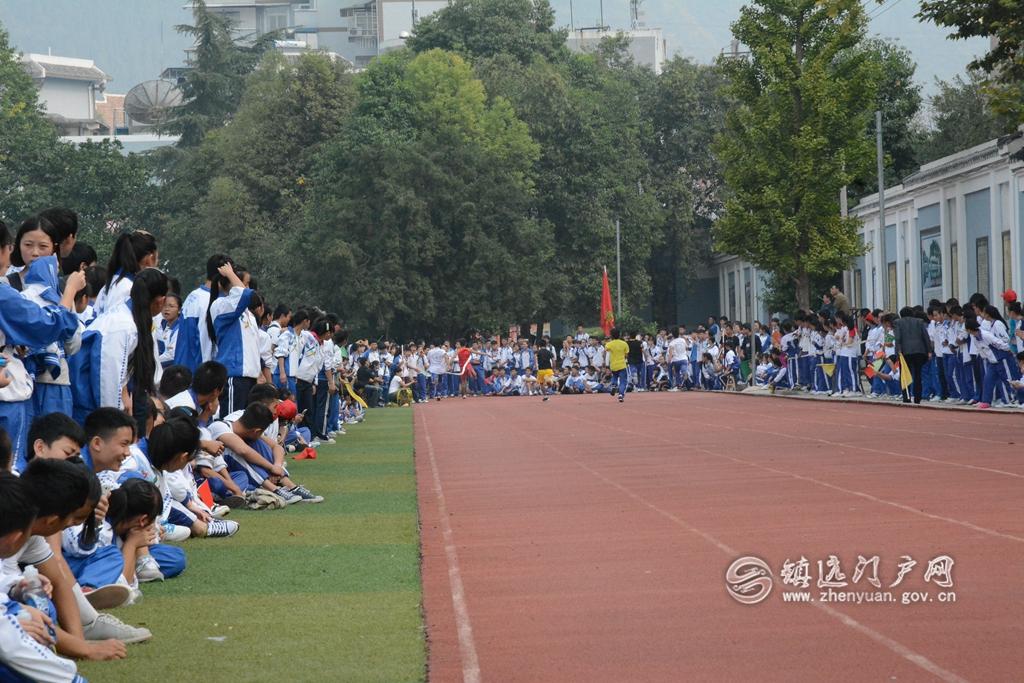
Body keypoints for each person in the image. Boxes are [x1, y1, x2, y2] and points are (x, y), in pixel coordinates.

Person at [893, 307, 932, 404]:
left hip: (905, 352)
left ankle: (906, 396)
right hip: (919, 351)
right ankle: (917, 397)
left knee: (905, 375)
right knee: (918, 375)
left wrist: (897, 352)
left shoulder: (898, 322)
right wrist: (929, 350)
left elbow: (898, 338)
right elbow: (925, 337)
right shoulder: (919, 321)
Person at [604, 328, 629, 403]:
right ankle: (621, 394)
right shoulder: (624, 343)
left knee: (614, 377)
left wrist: (607, 364)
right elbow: (626, 355)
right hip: (622, 364)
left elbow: (606, 353)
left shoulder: (609, 344)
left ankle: (614, 386)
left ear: (611, 336)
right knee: (623, 381)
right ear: (619, 334)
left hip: (613, 365)